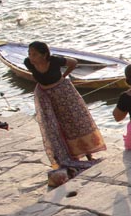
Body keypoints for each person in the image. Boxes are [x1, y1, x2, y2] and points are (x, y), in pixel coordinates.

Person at [23, 41, 106, 176]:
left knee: (75, 121)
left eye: (34, 54)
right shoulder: (28, 63)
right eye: (29, 54)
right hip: (45, 96)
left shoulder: (54, 60)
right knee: (55, 126)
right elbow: (35, 75)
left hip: (63, 92)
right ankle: (71, 155)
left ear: (44, 55)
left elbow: (73, 62)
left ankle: (89, 155)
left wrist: (64, 75)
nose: (31, 57)